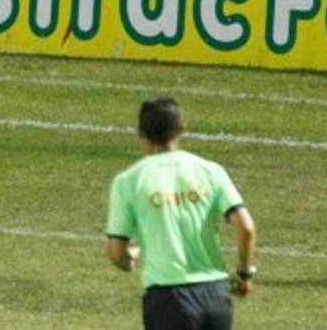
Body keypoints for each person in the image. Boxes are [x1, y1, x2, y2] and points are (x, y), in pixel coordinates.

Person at [106, 97, 258, 329]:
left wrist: (129, 260)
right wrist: (245, 275)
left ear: (141, 132)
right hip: (216, 295)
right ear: (182, 127)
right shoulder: (210, 171)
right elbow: (246, 228)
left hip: (168, 298)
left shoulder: (129, 181)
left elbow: (117, 253)